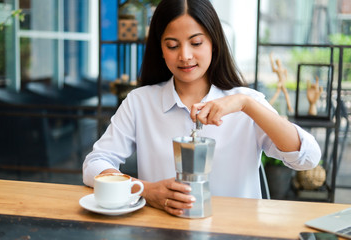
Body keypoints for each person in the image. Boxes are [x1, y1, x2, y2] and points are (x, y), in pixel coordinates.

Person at [83, 0, 321, 216]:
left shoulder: (247, 101)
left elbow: (307, 159)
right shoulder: (140, 101)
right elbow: (95, 164)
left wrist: (247, 105)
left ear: (214, 43)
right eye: (172, 45)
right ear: (161, 50)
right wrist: (145, 189)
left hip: (237, 230)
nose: (185, 56)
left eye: (196, 42)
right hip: (161, 229)